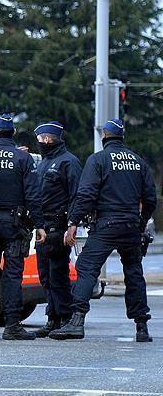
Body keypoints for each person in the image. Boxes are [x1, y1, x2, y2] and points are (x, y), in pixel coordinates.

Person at [50, 119, 157, 342]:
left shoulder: (98, 159)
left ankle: (76, 321)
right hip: (130, 226)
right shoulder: (138, 161)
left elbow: (86, 194)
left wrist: (73, 222)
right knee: (134, 273)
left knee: (86, 267)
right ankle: (142, 327)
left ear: (104, 136)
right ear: (122, 137)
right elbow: (150, 198)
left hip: (106, 225)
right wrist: (140, 223)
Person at [0, 114, 46, 340]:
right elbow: (32, 194)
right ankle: (12, 325)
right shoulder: (23, 158)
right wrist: (39, 224)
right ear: (13, 132)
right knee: (12, 274)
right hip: (14, 224)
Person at [31, 121, 81, 337]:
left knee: (58, 275)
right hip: (43, 227)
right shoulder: (44, 163)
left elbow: (76, 196)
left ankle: (65, 317)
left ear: (48, 139)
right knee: (45, 276)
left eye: (40, 139)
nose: (39, 143)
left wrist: (72, 224)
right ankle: (52, 318)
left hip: (59, 227)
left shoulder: (69, 162)